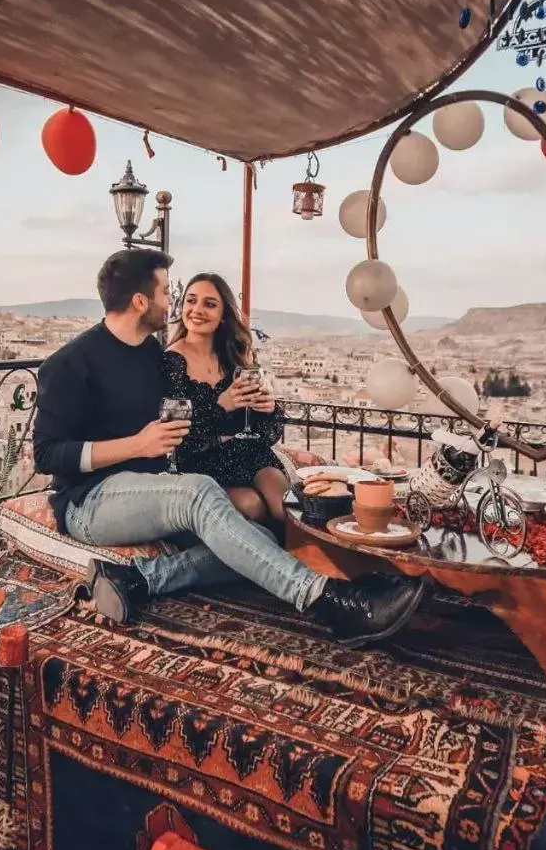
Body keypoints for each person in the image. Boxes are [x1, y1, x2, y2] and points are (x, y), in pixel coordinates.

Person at [32, 248, 426, 648]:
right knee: (201, 490)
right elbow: (47, 456)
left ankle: (135, 579)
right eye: (168, 292)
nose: (173, 302)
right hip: (90, 502)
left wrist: (253, 408)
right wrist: (137, 444)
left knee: (256, 538)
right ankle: (330, 601)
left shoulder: (149, 355)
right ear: (140, 301)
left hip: (152, 487)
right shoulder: (70, 364)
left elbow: (193, 420)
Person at [164, 273, 287, 529]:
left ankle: (311, 561)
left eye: (209, 304)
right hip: (200, 465)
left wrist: (268, 410)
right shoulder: (170, 363)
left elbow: (265, 434)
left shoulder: (235, 357)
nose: (197, 310)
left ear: (223, 315)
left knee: (285, 503)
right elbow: (176, 440)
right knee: (252, 505)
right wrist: (222, 405)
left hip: (246, 456)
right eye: (191, 301)